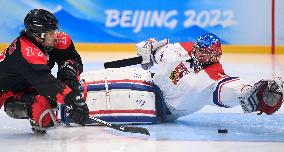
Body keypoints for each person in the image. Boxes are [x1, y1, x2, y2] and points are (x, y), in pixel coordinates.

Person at [78, 33, 284, 124]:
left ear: (216, 55)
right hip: (147, 79)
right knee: (99, 78)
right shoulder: (185, 50)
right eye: (198, 50)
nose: (199, 54)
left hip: (157, 108)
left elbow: (235, 91)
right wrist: (149, 50)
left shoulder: (215, 79)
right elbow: (158, 52)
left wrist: (255, 93)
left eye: (205, 53)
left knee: (101, 101)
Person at [0, 9, 89, 133]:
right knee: (44, 103)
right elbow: (46, 83)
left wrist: (69, 69)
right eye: (50, 33)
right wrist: (72, 99)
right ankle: (33, 113)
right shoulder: (26, 51)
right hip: (8, 91)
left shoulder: (53, 40)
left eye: (54, 30)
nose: (56, 36)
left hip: (29, 83)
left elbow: (72, 58)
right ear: (38, 35)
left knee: (68, 75)